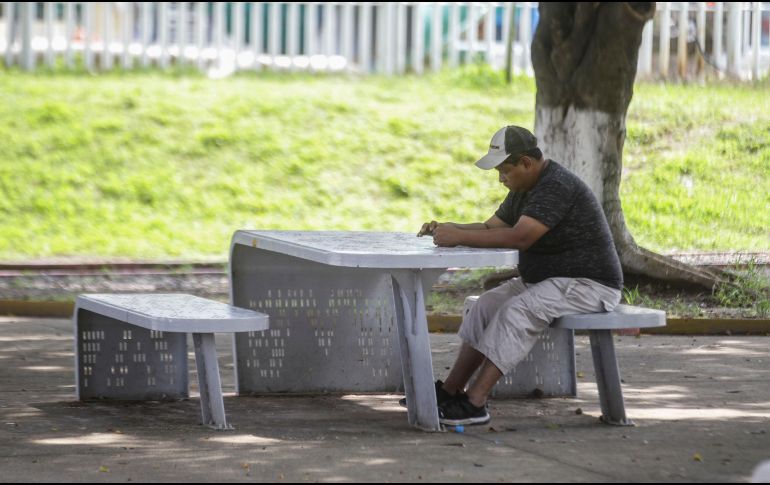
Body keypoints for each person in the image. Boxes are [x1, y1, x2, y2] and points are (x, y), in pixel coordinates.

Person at [415, 125, 623, 426]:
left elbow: (519, 237)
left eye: (504, 171)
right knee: (484, 305)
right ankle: (450, 391)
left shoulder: (555, 186)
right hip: (547, 281)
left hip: (588, 284)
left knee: (518, 312)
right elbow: (490, 227)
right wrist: (449, 228)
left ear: (526, 162)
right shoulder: (523, 188)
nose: (501, 179)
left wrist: (457, 235)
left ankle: (475, 402)